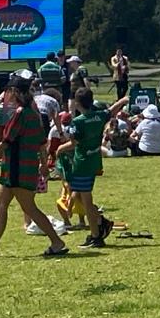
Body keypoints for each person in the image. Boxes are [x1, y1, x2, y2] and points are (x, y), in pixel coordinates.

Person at [0, 72, 69, 258]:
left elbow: (7, 141)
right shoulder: (33, 113)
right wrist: (43, 164)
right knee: (0, 204)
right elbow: (42, 142)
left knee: (29, 207)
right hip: (16, 167)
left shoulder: (20, 113)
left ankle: (57, 242)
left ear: (15, 92)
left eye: (8, 91)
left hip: (18, 167)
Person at [57, 89, 114, 247]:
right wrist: (123, 101)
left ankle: (96, 236)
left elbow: (74, 143)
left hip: (82, 163)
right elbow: (111, 111)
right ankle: (102, 222)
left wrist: (60, 149)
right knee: (81, 197)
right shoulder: (99, 116)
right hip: (94, 160)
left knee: (86, 202)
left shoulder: (78, 122)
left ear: (77, 103)